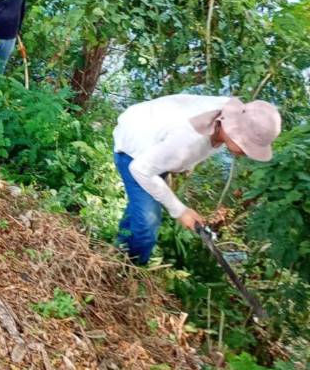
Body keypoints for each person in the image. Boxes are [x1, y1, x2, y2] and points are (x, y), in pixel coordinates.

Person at [113, 94, 282, 265]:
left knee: (141, 206)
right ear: (234, 129)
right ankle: (129, 270)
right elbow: (140, 169)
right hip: (134, 149)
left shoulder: (226, 117)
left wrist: (180, 166)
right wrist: (180, 211)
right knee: (147, 225)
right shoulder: (188, 138)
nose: (247, 153)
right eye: (247, 145)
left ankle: (120, 246)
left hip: (158, 147)